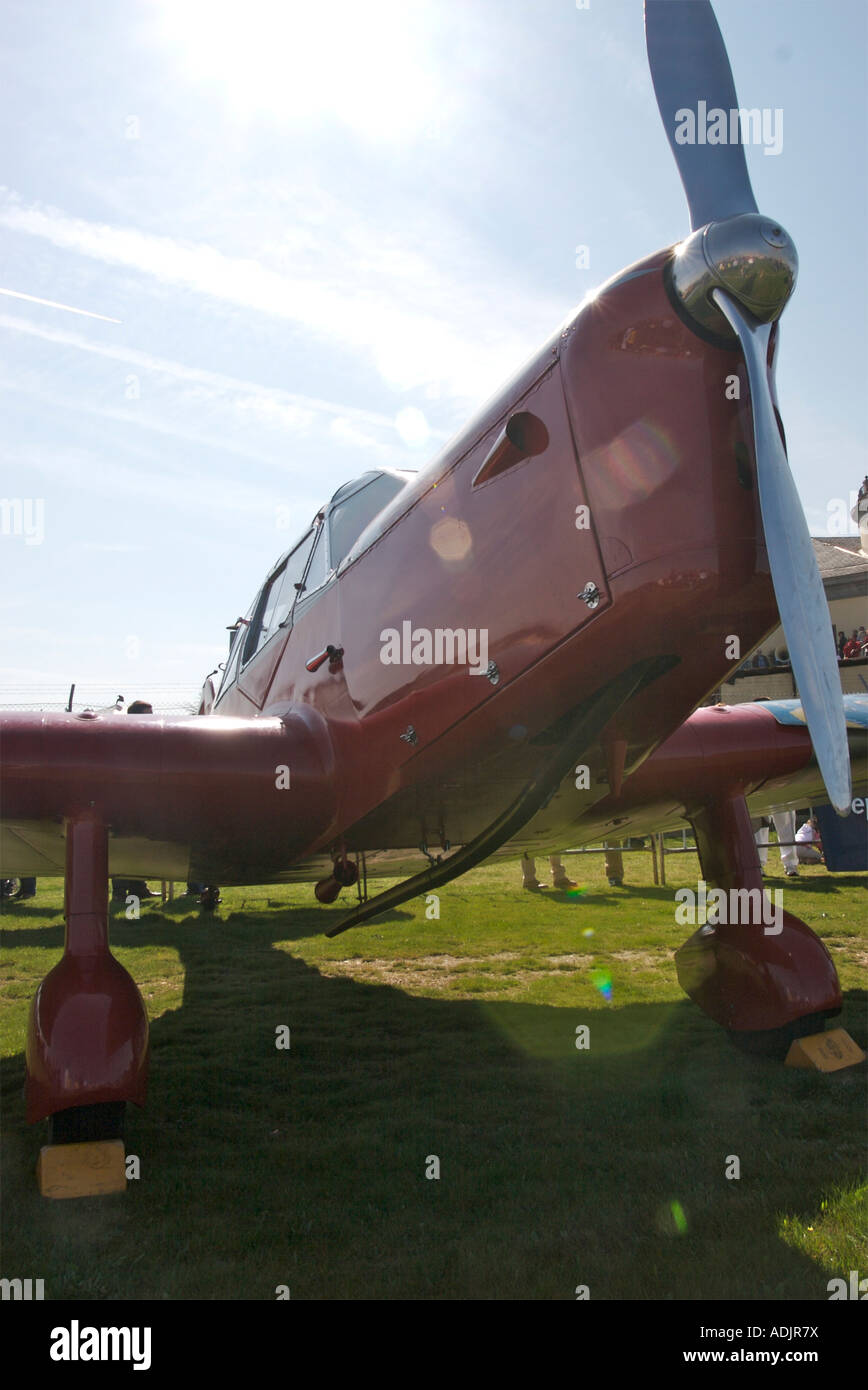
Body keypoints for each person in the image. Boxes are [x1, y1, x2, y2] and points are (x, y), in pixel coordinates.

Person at [112, 700, 159, 904]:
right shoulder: (125, 737)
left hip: (142, 800)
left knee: (139, 846)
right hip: (124, 801)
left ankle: (139, 888)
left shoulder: (149, 739)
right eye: (147, 715)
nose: (152, 718)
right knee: (123, 847)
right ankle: (120, 893)